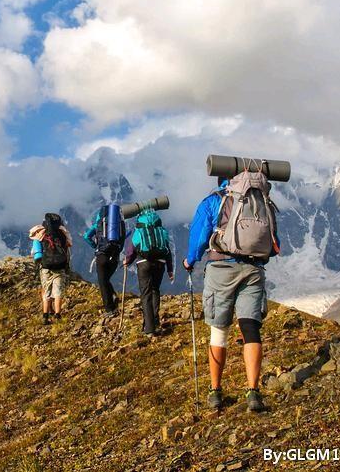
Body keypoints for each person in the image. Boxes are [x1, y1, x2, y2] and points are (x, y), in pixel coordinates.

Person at [182, 171, 281, 413]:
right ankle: (253, 392)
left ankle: (216, 391)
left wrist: (190, 259)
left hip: (221, 269)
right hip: (253, 269)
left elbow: (199, 235)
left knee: (219, 330)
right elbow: (274, 243)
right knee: (250, 328)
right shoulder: (261, 199)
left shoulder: (215, 200)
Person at [123, 209, 174, 337]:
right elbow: (167, 251)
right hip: (160, 263)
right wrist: (170, 269)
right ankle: (155, 322)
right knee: (155, 290)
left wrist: (127, 261)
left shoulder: (139, 232)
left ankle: (149, 328)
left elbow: (131, 250)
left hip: (144, 263)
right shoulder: (161, 232)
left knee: (146, 294)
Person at [30, 212, 73, 325]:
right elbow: (67, 250)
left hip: (45, 267)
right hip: (60, 267)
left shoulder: (40, 234)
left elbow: (35, 253)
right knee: (58, 292)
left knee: (46, 291)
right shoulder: (62, 234)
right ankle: (58, 315)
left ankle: (45, 316)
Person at [83, 204, 125, 316]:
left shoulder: (98, 224)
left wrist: (95, 246)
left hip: (101, 256)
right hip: (115, 256)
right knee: (106, 279)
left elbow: (86, 236)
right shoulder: (120, 225)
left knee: (102, 281)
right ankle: (113, 295)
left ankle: (109, 309)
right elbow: (122, 241)